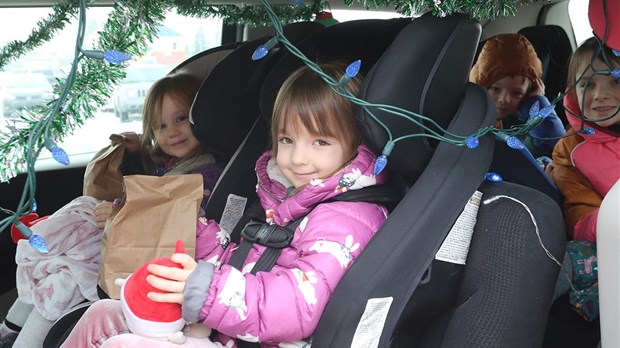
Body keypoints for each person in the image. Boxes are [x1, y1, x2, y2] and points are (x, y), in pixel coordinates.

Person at [58, 61, 390, 347]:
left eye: (320, 141)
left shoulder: (347, 218)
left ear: (354, 143)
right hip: (227, 329)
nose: (298, 157)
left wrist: (206, 289)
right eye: (287, 140)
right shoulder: (285, 196)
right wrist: (200, 235)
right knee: (102, 314)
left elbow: (298, 306)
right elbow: (247, 261)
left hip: (257, 338)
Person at [0, 71, 225, 348]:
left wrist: (123, 210)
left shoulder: (210, 175)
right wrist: (133, 154)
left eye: (180, 119)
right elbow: (146, 182)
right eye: (160, 127)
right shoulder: (166, 162)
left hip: (150, 255)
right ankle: (11, 330)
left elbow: (173, 214)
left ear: (202, 117)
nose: (172, 133)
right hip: (129, 244)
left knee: (66, 280)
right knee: (57, 266)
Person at [546, 36, 620, 242]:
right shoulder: (570, 150)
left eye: (615, 81)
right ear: (574, 90)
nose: (600, 94)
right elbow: (579, 218)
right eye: (587, 84)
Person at [470, 33, 566, 158]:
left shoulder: (524, 124)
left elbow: (551, 142)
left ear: (529, 92)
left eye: (516, 93)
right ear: (481, 85)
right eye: (495, 89)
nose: (504, 100)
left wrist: (537, 103)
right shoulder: (468, 114)